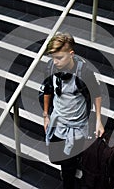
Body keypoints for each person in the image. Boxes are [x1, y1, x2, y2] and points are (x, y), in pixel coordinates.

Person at [42, 32, 105, 189]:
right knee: (55, 158)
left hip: (77, 126)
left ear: (71, 54)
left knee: (68, 168)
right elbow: (48, 90)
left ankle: (69, 176)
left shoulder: (84, 73)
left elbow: (97, 95)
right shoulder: (51, 67)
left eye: (59, 58)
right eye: (53, 57)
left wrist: (98, 121)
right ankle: (69, 163)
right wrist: (45, 115)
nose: (55, 62)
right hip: (58, 121)